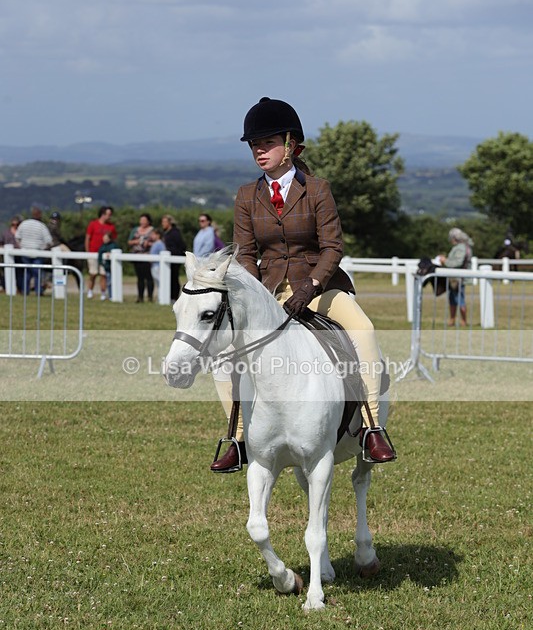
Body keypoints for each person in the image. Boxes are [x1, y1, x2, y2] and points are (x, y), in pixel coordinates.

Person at [210, 96, 396, 473]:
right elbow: (245, 251)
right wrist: (255, 291)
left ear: (290, 145)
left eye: (267, 143)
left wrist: (311, 286)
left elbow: (332, 247)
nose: (259, 151)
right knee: (224, 357)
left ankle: (372, 427)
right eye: (253, 145)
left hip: (319, 285)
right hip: (268, 290)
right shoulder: (247, 195)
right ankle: (239, 437)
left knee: (363, 329)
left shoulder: (318, 189)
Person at [438, 227, 474, 327]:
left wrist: (445, 261)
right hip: (456, 277)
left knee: (459, 299)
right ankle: (453, 320)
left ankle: (463, 321)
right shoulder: (464, 247)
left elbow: (457, 262)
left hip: (458, 278)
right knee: (453, 299)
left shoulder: (461, 248)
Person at [15, 204, 53, 295]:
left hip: (25, 252)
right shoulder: (41, 226)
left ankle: (25, 291)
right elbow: (49, 241)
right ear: (39, 215)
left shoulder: (24, 224)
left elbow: (17, 237)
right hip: (37, 252)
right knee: (38, 273)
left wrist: (21, 246)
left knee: (27, 273)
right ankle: (38, 291)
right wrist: (44, 248)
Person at [85, 206, 117, 300]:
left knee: (103, 274)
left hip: (105, 254)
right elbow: (88, 238)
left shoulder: (111, 226)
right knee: (93, 273)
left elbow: (114, 238)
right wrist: (88, 251)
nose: (110, 216)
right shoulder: (93, 224)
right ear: (103, 214)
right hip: (93, 252)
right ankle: (90, 291)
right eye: (108, 214)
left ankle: (103, 292)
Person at [127, 212, 156, 302]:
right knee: (140, 277)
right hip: (137, 255)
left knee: (148, 277)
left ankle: (150, 297)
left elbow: (157, 241)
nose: (142, 222)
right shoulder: (135, 230)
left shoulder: (152, 230)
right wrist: (135, 242)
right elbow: (129, 241)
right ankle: (140, 297)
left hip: (147, 256)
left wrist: (149, 244)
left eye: (144, 220)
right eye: (141, 220)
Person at [161, 214, 186, 301]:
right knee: (170, 278)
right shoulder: (167, 232)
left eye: (164, 222)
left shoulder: (174, 233)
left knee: (174, 278)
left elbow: (181, 246)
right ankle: (170, 296)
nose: (162, 224)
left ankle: (174, 296)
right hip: (169, 258)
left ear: (169, 223)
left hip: (174, 258)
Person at [0, 215, 24, 293]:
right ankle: (5, 287)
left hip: (19, 255)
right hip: (7, 256)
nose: (15, 226)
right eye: (13, 224)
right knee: (6, 272)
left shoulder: (21, 233)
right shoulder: (5, 233)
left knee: (19, 273)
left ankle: (20, 288)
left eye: (16, 224)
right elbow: (1, 242)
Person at [97, 231, 121, 299]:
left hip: (112, 267)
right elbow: (100, 255)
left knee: (111, 281)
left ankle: (112, 295)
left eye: (106, 238)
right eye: (104, 238)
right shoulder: (102, 246)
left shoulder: (114, 246)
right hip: (106, 267)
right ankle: (108, 295)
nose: (104, 240)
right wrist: (101, 263)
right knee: (108, 281)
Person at [149, 229, 167, 294]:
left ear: (158, 235)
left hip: (158, 266)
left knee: (160, 281)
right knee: (157, 283)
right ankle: (160, 297)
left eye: (153, 234)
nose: (151, 236)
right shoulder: (155, 243)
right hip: (154, 266)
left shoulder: (160, 244)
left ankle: (162, 296)